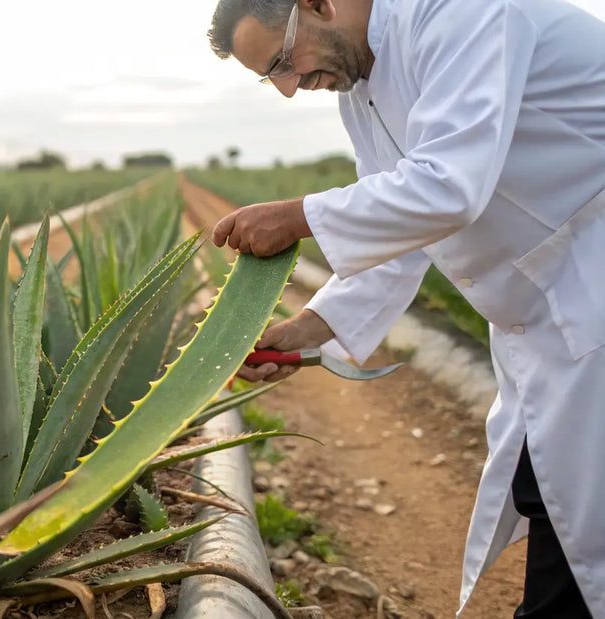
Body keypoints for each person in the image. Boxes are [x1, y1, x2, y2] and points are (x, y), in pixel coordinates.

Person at [205, 0, 605, 616]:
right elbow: (397, 237)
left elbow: (447, 185)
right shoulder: (358, 93)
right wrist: (306, 332)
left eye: (285, 61)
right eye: (271, 78)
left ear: (318, 5)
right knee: (556, 495)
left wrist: (298, 216)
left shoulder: (464, 13)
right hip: (556, 314)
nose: (289, 89)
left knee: (568, 510)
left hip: (590, 280)